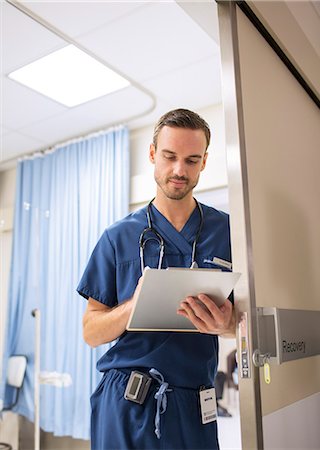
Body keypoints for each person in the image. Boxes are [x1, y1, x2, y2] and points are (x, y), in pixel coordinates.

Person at [77, 108, 236, 450]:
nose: (180, 170)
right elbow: (91, 331)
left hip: (196, 405)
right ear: (152, 154)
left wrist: (227, 324)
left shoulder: (228, 232)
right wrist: (135, 305)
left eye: (192, 160)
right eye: (169, 157)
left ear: (205, 162)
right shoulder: (117, 238)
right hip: (129, 403)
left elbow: (245, 321)